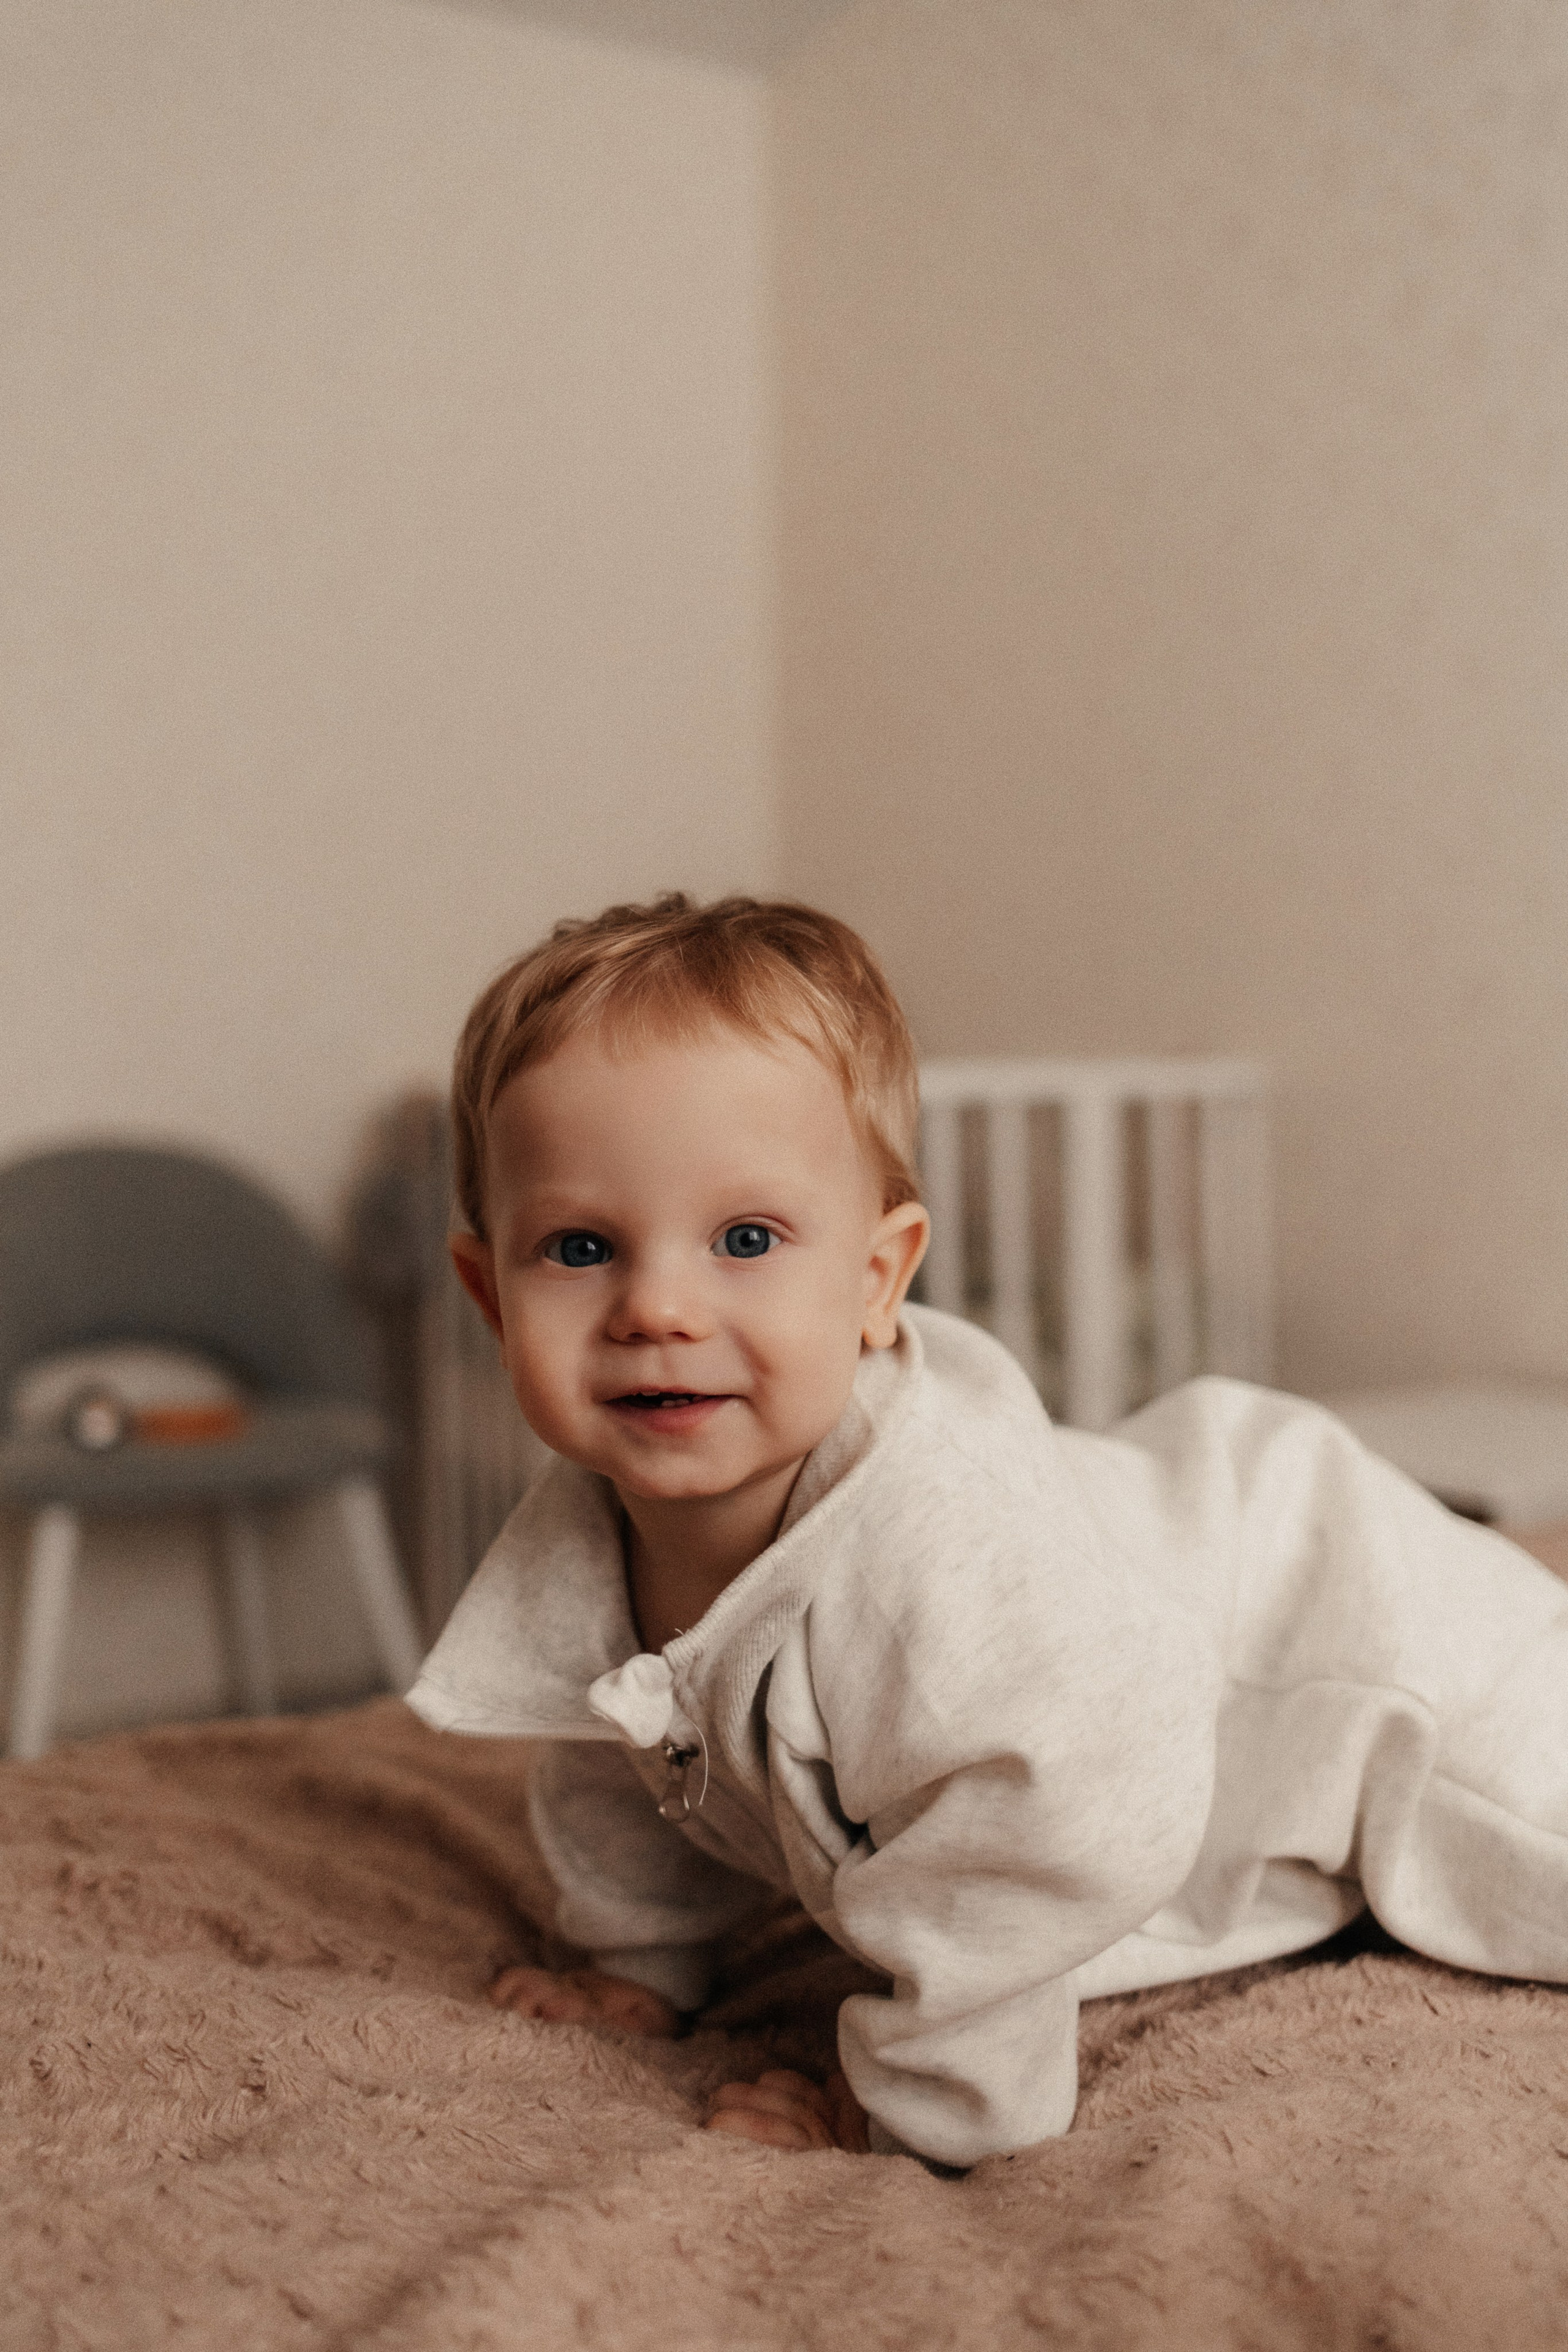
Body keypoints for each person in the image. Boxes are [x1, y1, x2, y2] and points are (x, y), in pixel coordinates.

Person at [405, 892, 1568, 2169]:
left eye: (745, 1238)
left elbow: (1061, 1815)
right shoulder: (590, 1545)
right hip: (1168, 1559)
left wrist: (915, 2096)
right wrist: (638, 1963)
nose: (658, 1306)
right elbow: (631, 1749)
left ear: (875, 1278)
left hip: (1343, 1632)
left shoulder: (929, 1556)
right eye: (579, 1247)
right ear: (488, 1292)